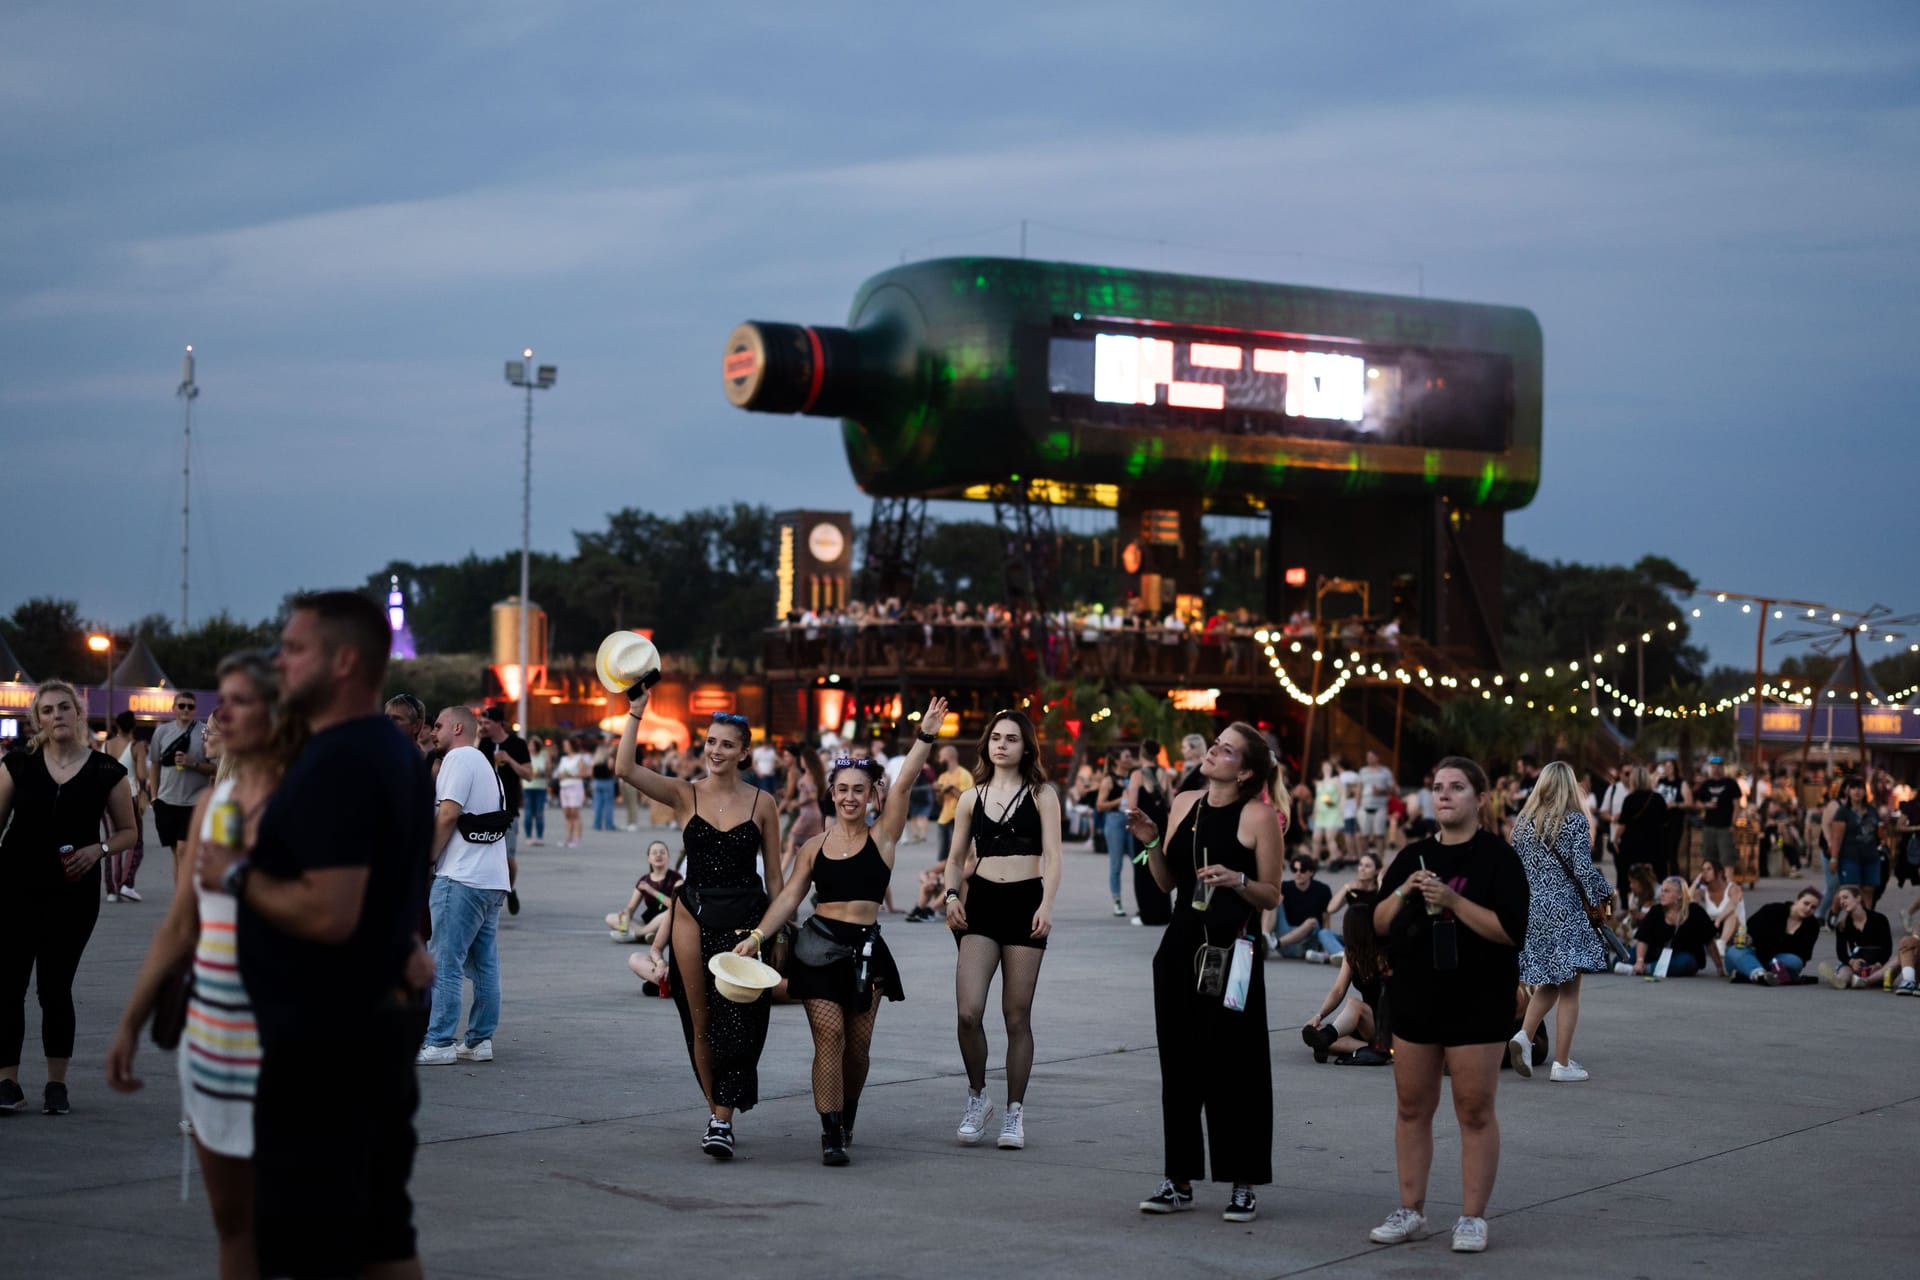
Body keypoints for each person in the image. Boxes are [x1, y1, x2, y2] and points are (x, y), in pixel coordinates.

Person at [196, 591, 433, 1279]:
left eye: (295, 648)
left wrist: (238, 875)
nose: (280, 659)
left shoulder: (339, 762)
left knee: (311, 1243)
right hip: (372, 1025)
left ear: (345, 660)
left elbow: (330, 912)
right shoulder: (391, 750)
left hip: (327, 1043)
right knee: (381, 1234)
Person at [107, 651, 303, 1278]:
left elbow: (337, 916)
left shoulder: (314, 805)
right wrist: (130, 1023)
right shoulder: (217, 806)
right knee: (233, 1227)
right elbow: (180, 924)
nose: (224, 715)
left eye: (244, 701)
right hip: (213, 1043)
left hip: (292, 1045)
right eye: (225, 701)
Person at [736, 697, 945, 1164]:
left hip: (866, 951)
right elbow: (789, 898)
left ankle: (847, 1113)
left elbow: (907, 780)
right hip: (819, 946)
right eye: (842, 789)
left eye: (859, 790)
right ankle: (830, 1133)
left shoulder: (884, 836)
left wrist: (925, 736)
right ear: (831, 793)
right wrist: (756, 937)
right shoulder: (813, 847)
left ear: (872, 796)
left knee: (858, 1048)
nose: (850, 797)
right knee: (828, 1037)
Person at [1367, 756, 1529, 1254]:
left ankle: (1473, 1217)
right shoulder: (1412, 855)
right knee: (1412, 1107)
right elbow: (1376, 922)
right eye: (1437, 787)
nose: (1444, 795)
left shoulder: (1498, 859)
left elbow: (1510, 931)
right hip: (1416, 994)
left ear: (1480, 799)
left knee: (1474, 1109)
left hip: (1478, 998)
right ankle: (1410, 1209)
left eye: (1457, 787)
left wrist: (1455, 903)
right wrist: (1404, 890)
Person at [1125, 722, 1285, 1223]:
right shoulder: (1183, 803)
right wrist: (1150, 843)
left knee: (1237, 1065)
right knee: (1179, 1064)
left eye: (1226, 750)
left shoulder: (1259, 816)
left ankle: (1243, 1181)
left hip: (1233, 951)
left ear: (1246, 771)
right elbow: (1169, 880)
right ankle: (1179, 1179)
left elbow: (1272, 894)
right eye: (1215, 745)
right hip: (1180, 946)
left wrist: (1238, 880)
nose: (1213, 752)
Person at [616, 703, 784, 1158]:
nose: (716, 750)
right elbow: (625, 767)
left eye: (727, 744)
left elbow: (777, 881)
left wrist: (774, 931)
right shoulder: (683, 793)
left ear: (744, 752)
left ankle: (720, 1115)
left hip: (746, 922)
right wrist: (635, 713)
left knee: (742, 1023)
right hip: (692, 915)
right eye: (710, 741)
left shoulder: (762, 802)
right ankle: (719, 1118)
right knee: (700, 1023)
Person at [0, 680, 139, 1115]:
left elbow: (128, 832)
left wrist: (96, 850)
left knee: (54, 988)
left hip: (73, 893)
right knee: (7, 986)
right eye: (47, 710)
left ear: (79, 714)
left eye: (65, 708)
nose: (57, 715)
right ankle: (8, 1083)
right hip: (15, 887)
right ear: (37, 720)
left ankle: (55, 1084)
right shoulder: (17, 765)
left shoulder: (105, 771)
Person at [942, 710, 1062, 1151]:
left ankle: (1014, 1112)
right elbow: (955, 858)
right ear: (986, 744)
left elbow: (1054, 855)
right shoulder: (971, 797)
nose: (1002, 745)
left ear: (1026, 746)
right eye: (996, 737)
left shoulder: (1043, 794)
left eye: (1012, 739)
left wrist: (1047, 904)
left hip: (1027, 902)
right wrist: (952, 896)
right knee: (968, 1011)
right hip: (983, 904)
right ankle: (978, 1097)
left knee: (1016, 1015)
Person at [1509, 761, 1614, 1083]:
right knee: (1571, 987)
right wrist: (1606, 894)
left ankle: (1524, 1037)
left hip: (1533, 910)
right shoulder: (1574, 821)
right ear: (1571, 786)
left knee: (1552, 980)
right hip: (1565, 910)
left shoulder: (1524, 823)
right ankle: (1562, 1063)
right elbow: (1582, 870)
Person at [418, 705, 510, 1066]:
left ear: (458, 728)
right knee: (484, 962)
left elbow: (448, 813)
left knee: (445, 962)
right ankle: (479, 1040)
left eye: (438, 726)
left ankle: (440, 1041)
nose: (432, 732)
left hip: (461, 876)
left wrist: (428, 858)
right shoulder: (487, 766)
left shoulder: (458, 760)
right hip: (492, 879)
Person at [1303, 886, 1391, 1066]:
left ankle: (1331, 1038)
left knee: (1354, 1004)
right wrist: (1319, 1015)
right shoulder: (1352, 954)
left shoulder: (1385, 953)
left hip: (1389, 1023)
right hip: (1368, 1024)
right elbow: (1338, 990)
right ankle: (1372, 1048)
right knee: (1319, 1031)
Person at [149, 687, 215, 876]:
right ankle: (181, 895)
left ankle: (185, 900)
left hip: (194, 801)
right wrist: (154, 796)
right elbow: (155, 764)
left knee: (183, 850)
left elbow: (216, 768)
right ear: (174, 708)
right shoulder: (162, 732)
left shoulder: (205, 732)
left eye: (190, 706)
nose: (186, 709)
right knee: (176, 852)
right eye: (182, 706)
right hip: (167, 800)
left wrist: (192, 763)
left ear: (195, 709)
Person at [479, 706, 532, 915]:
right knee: (486, 856)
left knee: (508, 859)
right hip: (485, 808)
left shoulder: (517, 744)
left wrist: (509, 760)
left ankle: (510, 889)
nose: (484, 727)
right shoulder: (483, 743)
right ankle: (492, 896)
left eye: (487, 723)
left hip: (509, 808)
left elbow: (529, 774)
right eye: (481, 723)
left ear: (499, 723)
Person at [616, 841, 684, 992]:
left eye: (662, 852)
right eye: (654, 852)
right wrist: (660, 964)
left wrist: (651, 891)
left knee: (668, 911)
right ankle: (664, 979)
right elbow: (631, 907)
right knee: (635, 958)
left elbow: (672, 905)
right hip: (653, 922)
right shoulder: (644, 879)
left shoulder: (676, 879)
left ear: (668, 857)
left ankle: (639, 934)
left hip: (664, 917)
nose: (658, 855)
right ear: (648, 858)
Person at [1726, 886, 1823, 985]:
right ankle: (1762, 975)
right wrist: (1749, 939)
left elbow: (1804, 955)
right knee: (1735, 951)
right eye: (1806, 903)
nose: (1808, 909)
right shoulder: (1772, 910)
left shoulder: (1812, 926)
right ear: (1797, 900)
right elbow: (1750, 931)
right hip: (1753, 955)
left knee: (1795, 962)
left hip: (1775, 960)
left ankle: (1751, 975)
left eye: (1813, 907)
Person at [101, 711, 150, 903]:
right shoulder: (136, 746)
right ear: (134, 726)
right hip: (129, 797)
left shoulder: (106, 745)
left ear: (117, 726)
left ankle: (111, 889)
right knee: (134, 842)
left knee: (111, 842)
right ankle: (126, 884)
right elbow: (142, 775)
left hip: (106, 798)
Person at [1631, 877, 1722, 977]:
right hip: (1656, 953)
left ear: (1679, 895)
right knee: (1623, 957)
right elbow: (1643, 939)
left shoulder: (1695, 911)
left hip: (1683, 956)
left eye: (1667, 891)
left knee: (1684, 963)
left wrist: (1719, 967)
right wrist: (1640, 960)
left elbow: (1709, 941)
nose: (1662, 894)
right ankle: (1642, 967)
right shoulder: (1656, 910)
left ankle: (1647, 968)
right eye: (1662, 890)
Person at [1126, 738, 1174, 927]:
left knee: (1143, 869)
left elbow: (1132, 806)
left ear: (1141, 753)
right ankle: (1164, 912)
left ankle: (1147, 913)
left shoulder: (1137, 775)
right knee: (1161, 866)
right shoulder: (1164, 773)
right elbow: (1170, 801)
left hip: (1144, 825)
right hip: (1161, 824)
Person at [1819, 885, 1893, 989]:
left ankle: (1865, 980)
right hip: (1858, 964)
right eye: (1840, 899)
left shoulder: (1879, 919)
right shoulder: (1842, 926)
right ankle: (1841, 979)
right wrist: (1852, 962)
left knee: (1897, 961)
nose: (1842, 902)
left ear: (1858, 898)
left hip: (1878, 965)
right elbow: (1841, 952)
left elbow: (1887, 948)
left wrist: (1878, 964)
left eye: (1845, 897)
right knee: (1845, 973)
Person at [1827, 776, 1883, 911]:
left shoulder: (1871, 810)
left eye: (1860, 788)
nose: (1857, 791)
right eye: (1853, 788)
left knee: (1869, 888)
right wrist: (1834, 858)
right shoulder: (1843, 812)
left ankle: (1866, 919)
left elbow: (1879, 831)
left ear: (1865, 791)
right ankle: (1834, 913)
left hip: (1870, 856)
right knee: (1850, 889)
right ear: (1848, 792)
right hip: (1849, 856)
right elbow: (1836, 837)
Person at [1275, 854, 1345, 962]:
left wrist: (1326, 942)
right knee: (1273, 900)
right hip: (1287, 937)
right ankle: (1265, 937)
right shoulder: (1285, 887)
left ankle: (1274, 943)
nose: (1298, 874)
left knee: (1312, 922)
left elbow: (1326, 919)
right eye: (1294, 870)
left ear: (1311, 872)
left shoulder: (1322, 890)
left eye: (1302, 870)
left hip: (1306, 942)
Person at [1095, 745, 1137, 918]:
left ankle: (1141, 901)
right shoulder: (1109, 780)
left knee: (1138, 862)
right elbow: (1099, 805)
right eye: (1126, 756)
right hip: (1115, 820)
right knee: (1116, 863)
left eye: (1130, 756)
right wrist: (1121, 799)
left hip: (1133, 820)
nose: (1129, 759)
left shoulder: (1135, 777)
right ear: (1117, 760)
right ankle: (1117, 901)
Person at [1614, 766, 1670, 892]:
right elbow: (1666, 821)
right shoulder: (1658, 798)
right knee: (1657, 875)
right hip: (1655, 844)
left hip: (1632, 845)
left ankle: (1627, 903)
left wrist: (1615, 839)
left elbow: (1622, 824)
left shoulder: (1629, 799)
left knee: (1626, 874)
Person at [1694, 757, 1742, 874]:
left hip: (1725, 826)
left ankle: (1728, 886)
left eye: (1718, 767)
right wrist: (1706, 805)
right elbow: (1697, 803)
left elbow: (1737, 805)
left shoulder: (1730, 783)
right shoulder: (1706, 784)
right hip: (1709, 825)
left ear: (1722, 768)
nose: (1716, 769)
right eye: (1713, 767)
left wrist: (1733, 823)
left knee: (1727, 858)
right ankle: (1711, 885)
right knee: (1708, 857)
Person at [1692, 857, 1745, 952]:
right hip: (1716, 930)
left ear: (1720, 872)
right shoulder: (1704, 891)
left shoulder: (1734, 888)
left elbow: (1732, 905)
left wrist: (1719, 920)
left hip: (1736, 932)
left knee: (1731, 915)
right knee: (1693, 911)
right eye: (1703, 870)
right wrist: (1697, 880)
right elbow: (1687, 900)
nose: (1705, 873)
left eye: (1708, 869)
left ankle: (1721, 945)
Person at [932, 744, 972, 861]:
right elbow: (939, 802)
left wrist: (952, 789)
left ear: (948, 757)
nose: (939, 760)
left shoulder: (964, 775)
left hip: (958, 819)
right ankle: (941, 877)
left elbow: (967, 799)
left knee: (956, 854)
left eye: (940, 757)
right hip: (943, 819)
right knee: (943, 855)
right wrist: (938, 791)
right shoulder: (943, 776)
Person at [1357, 750, 1396, 861]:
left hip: (1380, 806)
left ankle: (1380, 860)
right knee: (1363, 834)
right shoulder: (1362, 771)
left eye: (1371, 756)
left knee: (1379, 834)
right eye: (1367, 756)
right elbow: (1359, 789)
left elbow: (1392, 789)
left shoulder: (1385, 771)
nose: (1369, 759)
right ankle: (1364, 859)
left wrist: (1381, 791)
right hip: (1364, 806)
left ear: (1377, 757)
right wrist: (1357, 806)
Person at [1311, 761, 1345, 866]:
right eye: (1324, 766)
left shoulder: (1336, 780)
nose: (1326, 768)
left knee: (1330, 837)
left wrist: (1341, 809)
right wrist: (1314, 811)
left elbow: (1342, 795)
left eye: (1328, 766)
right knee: (1316, 837)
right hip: (1321, 813)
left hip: (1332, 811)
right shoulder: (1320, 783)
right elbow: (1318, 798)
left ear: (1332, 768)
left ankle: (1335, 860)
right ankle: (1314, 860)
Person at [555, 738, 587, 847]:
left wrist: (570, 775)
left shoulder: (579, 758)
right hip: (564, 787)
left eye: (566, 745)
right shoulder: (563, 759)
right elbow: (559, 773)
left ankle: (577, 839)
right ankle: (568, 838)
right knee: (567, 814)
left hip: (575, 786)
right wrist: (562, 775)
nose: (565, 747)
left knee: (575, 813)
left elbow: (583, 773)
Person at [524, 737, 551, 845]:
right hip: (528, 786)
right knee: (528, 812)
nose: (530, 747)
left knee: (539, 812)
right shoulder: (525, 756)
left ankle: (540, 837)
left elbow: (548, 771)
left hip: (540, 786)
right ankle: (529, 836)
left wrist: (541, 773)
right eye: (529, 745)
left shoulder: (543, 756)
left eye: (532, 745)